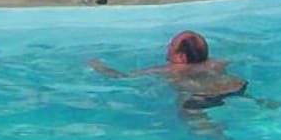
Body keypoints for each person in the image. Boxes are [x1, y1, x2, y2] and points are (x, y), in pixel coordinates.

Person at [89, 30, 249, 111]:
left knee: (192, 118)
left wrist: (98, 67)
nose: (168, 47)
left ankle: (219, 139)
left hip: (200, 96)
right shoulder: (217, 63)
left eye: (172, 45)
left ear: (181, 57)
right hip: (235, 86)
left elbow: (122, 77)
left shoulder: (169, 70)